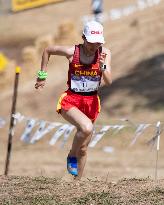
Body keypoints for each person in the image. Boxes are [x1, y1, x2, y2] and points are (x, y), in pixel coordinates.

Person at [35, 20, 112, 180]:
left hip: (91, 102)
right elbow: (47, 50)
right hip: (71, 100)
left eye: (98, 43)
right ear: (83, 38)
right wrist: (42, 75)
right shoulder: (72, 51)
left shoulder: (104, 53)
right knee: (86, 128)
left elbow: (109, 81)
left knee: (83, 148)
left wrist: (103, 65)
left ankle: (77, 184)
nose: (94, 47)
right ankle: (71, 155)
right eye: (91, 43)